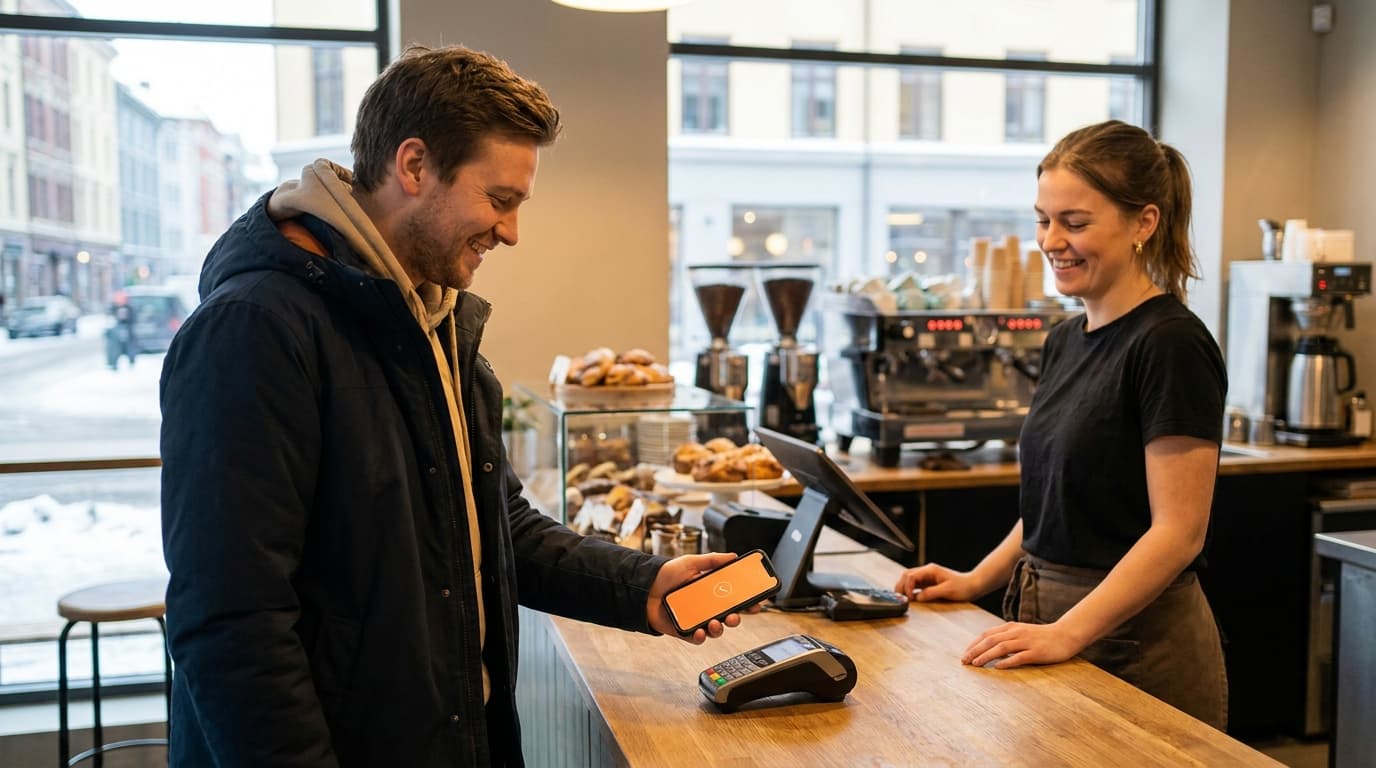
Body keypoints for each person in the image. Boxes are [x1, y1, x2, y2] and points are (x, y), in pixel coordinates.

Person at [160, 44, 757, 767]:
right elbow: (232, 622)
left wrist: (642, 586)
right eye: (499, 200)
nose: (510, 231)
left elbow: (493, 523)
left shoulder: (431, 322)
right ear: (414, 167)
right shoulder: (254, 328)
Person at [894, 120, 1228, 729]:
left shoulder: (1171, 343)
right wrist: (977, 580)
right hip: (1050, 619)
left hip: (1133, 642)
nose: (1052, 241)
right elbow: (1053, 503)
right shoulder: (1064, 339)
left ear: (1143, 223)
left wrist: (1067, 632)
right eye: (1044, 219)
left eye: (1075, 223)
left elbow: (1179, 533)